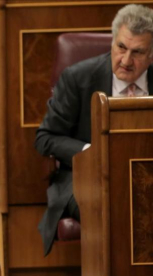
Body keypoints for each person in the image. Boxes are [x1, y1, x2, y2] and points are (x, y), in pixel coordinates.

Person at [35, 4, 153, 256]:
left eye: (138, 52)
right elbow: (45, 138)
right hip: (85, 179)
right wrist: (90, 152)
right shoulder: (78, 78)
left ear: (151, 55)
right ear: (112, 42)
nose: (126, 60)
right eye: (121, 47)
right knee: (113, 206)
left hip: (146, 175)